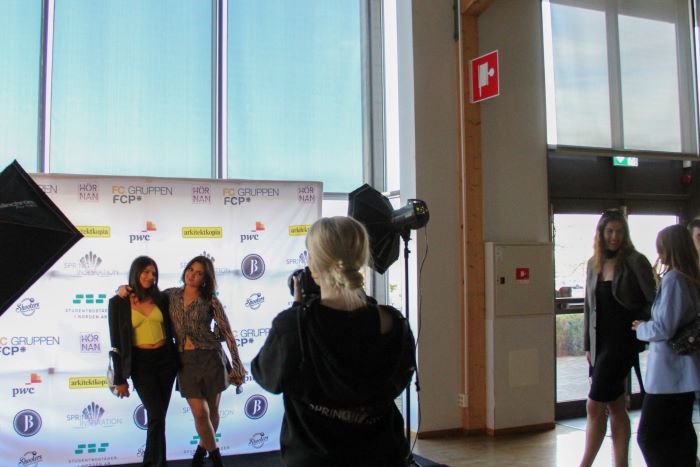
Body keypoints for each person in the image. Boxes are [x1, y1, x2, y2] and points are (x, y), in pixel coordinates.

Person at [251, 216, 416, 467]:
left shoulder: (293, 327)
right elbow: (400, 378)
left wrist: (297, 310)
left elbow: (268, 378)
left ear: (313, 263)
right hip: (384, 457)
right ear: (361, 258)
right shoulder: (394, 324)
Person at [580, 209, 656, 467]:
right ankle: (621, 464)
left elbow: (653, 300)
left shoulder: (636, 261)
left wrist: (639, 323)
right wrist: (588, 345)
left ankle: (584, 465)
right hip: (600, 343)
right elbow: (589, 308)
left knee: (594, 405)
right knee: (615, 406)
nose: (614, 237)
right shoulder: (593, 263)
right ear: (601, 233)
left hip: (622, 342)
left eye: (620, 232)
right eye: (610, 231)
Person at [166, 256, 246, 467]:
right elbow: (145, 296)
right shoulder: (170, 295)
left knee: (212, 412)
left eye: (199, 273)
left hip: (211, 358)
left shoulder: (211, 300)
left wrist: (237, 364)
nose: (192, 275)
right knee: (201, 414)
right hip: (185, 361)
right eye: (190, 269)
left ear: (205, 278)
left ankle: (200, 453)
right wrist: (123, 290)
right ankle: (217, 459)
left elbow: (227, 332)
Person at [632, 224, 700, 466]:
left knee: (649, 436)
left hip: (669, 377)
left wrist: (641, 328)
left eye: (661, 249)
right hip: (683, 374)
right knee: (680, 432)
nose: (658, 255)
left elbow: (664, 327)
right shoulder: (690, 278)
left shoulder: (674, 280)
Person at [108, 256, 178, 467]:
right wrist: (119, 379)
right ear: (136, 273)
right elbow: (115, 343)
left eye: (153, 273)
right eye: (145, 272)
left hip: (166, 361)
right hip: (141, 364)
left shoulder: (162, 298)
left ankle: (154, 462)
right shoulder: (118, 303)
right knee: (156, 414)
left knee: (158, 418)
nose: (150, 277)